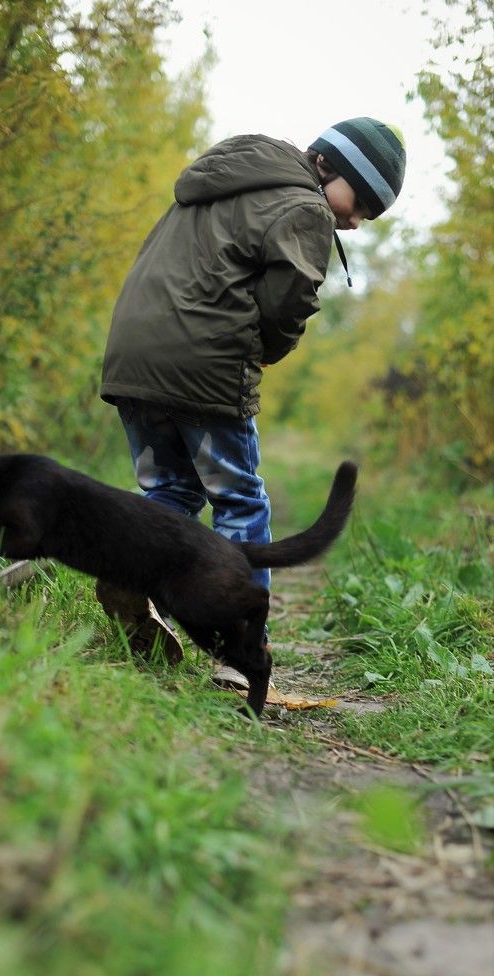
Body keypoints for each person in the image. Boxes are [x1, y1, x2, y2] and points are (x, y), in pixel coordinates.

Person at [97, 117, 406, 681]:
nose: (357, 222)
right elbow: (286, 302)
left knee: (169, 488)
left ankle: (130, 575)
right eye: (361, 203)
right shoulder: (305, 208)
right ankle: (240, 648)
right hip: (206, 365)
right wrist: (265, 352)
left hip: (132, 355)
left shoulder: (222, 181)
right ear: (329, 167)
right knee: (239, 500)